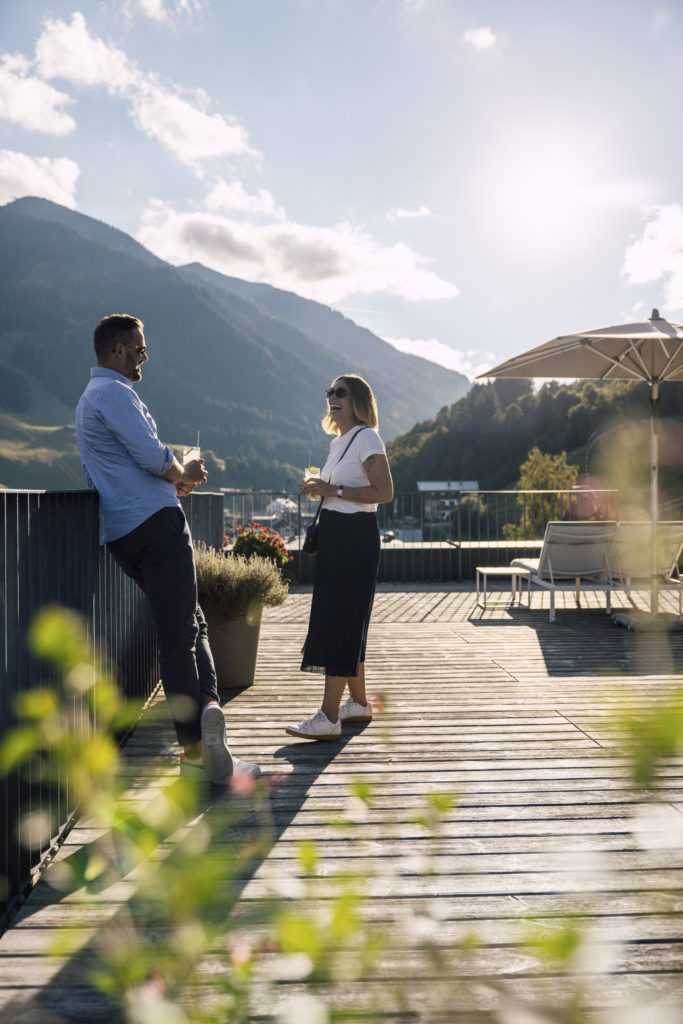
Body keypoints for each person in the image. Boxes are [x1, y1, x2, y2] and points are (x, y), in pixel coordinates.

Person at [75, 313, 259, 784]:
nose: (143, 357)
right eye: (138, 349)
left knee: (188, 621)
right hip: (156, 528)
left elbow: (117, 469)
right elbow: (153, 456)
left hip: (122, 532)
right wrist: (186, 472)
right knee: (179, 634)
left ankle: (209, 726)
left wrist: (170, 481)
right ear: (117, 351)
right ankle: (198, 750)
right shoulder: (114, 393)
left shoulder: (87, 401)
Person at [286, 374, 394, 741]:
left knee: (339, 621)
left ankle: (329, 716)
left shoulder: (367, 437)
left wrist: (333, 489)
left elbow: (384, 492)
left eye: (341, 392)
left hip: (354, 540)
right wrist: (322, 490)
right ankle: (359, 704)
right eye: (329, 392)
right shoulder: (339, 443)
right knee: (347, 620)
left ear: (359, 400)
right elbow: (341, 491)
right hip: (336, 536)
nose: (332, 396)